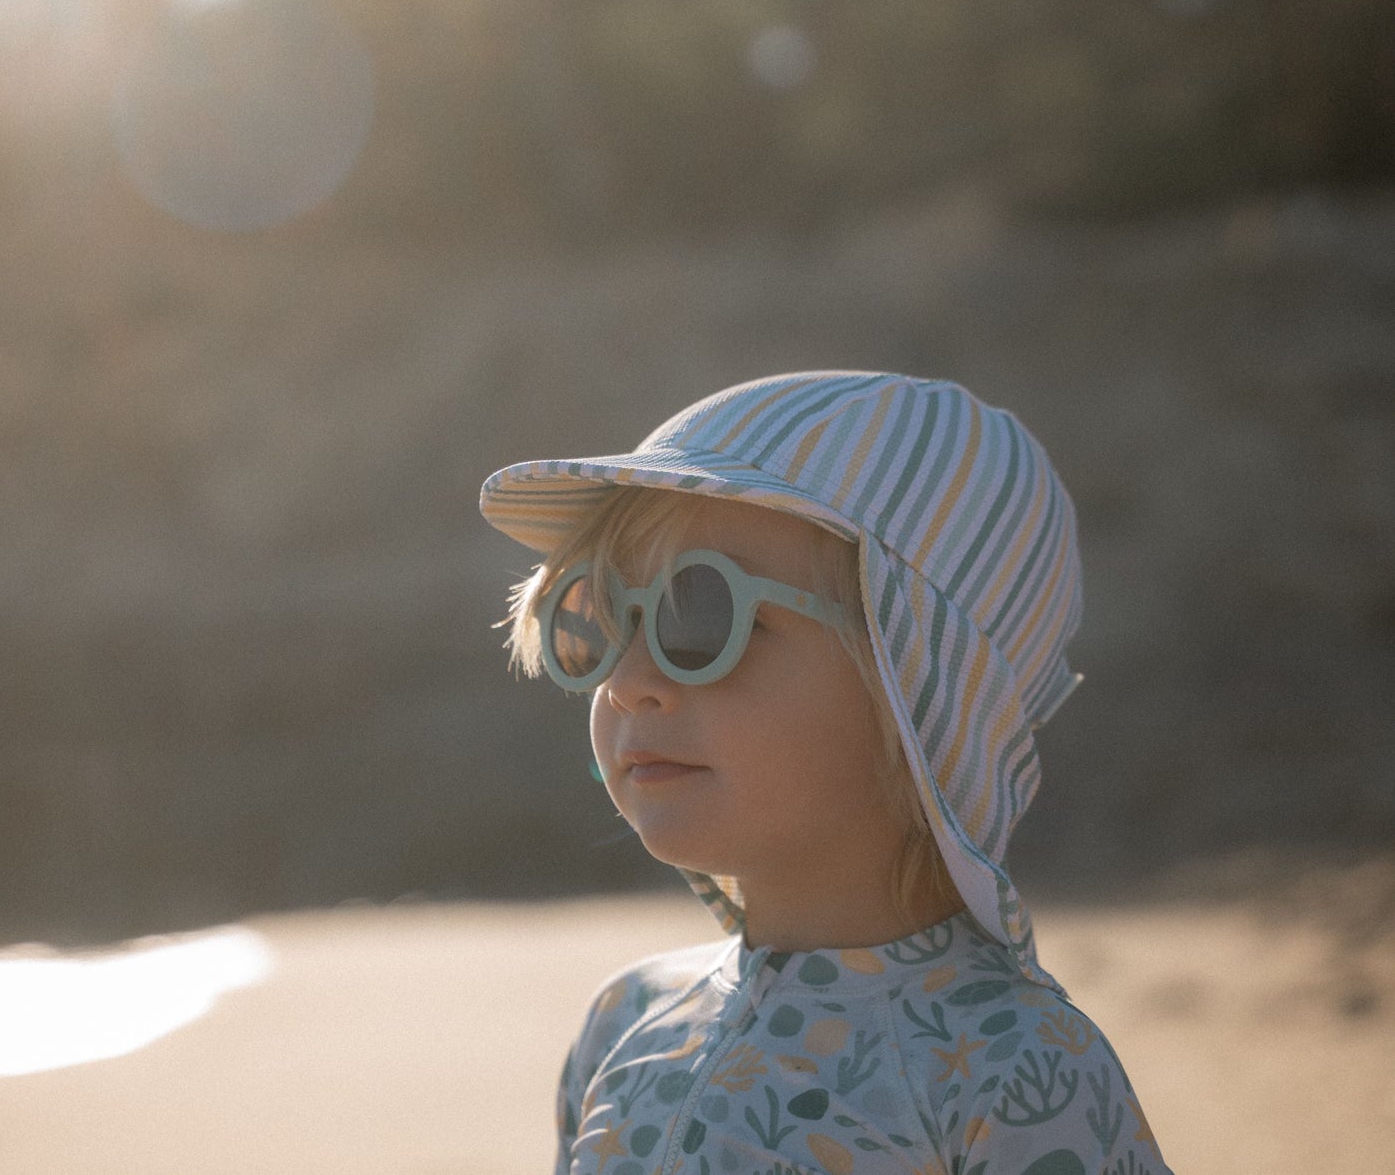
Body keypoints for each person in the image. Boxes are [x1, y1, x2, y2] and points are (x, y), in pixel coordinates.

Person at [479, 371, 1170, 1175]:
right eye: (599, 612)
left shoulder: (1014, 1067)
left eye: (698, 614)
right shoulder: (625, 1018)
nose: (629, 677)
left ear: (914, 687)